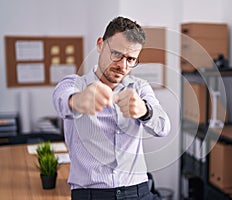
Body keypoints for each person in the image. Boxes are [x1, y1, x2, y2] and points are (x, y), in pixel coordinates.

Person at [52, 16, 171, 200]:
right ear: (100, 45)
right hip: (91, 194)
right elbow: (61, 101)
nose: (123, 66)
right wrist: (79, 100)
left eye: (131, 59)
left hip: (138, 191)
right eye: (117, 54)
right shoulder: (75, 83)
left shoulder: (139, 88)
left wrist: (145, 111)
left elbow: (164, 127)